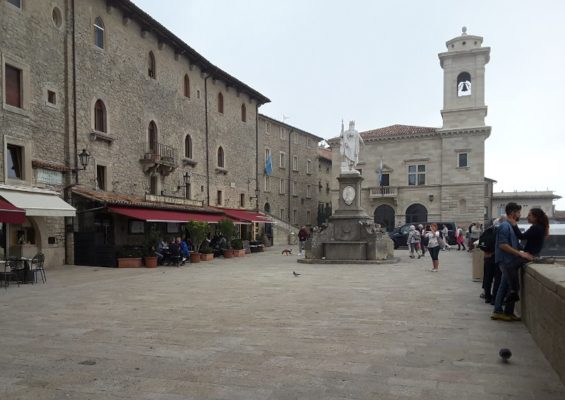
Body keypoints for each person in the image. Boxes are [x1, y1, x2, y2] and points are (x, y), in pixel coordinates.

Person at [491, 203, 534, 321]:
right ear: (512, 213)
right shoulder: (505, 226)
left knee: (507, 286)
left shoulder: (511, 226)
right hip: (505, 260)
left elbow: (515, 244)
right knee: (505, 286)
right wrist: (520, 254)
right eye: (519, 212)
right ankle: (498, 311)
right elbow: (503, 245)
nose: (520, 215)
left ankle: (506, 312)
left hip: (509, 260)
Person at [504, 208, 549, 303]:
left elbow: (521, 236)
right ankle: (513, 291)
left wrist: (514, 224)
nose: (527, 217)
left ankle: (514, 291)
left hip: (531, 255)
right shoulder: (539, 227)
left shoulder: (536, 228)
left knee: (510, 267)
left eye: (530, 215)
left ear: (536, 217)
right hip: (531, 253)